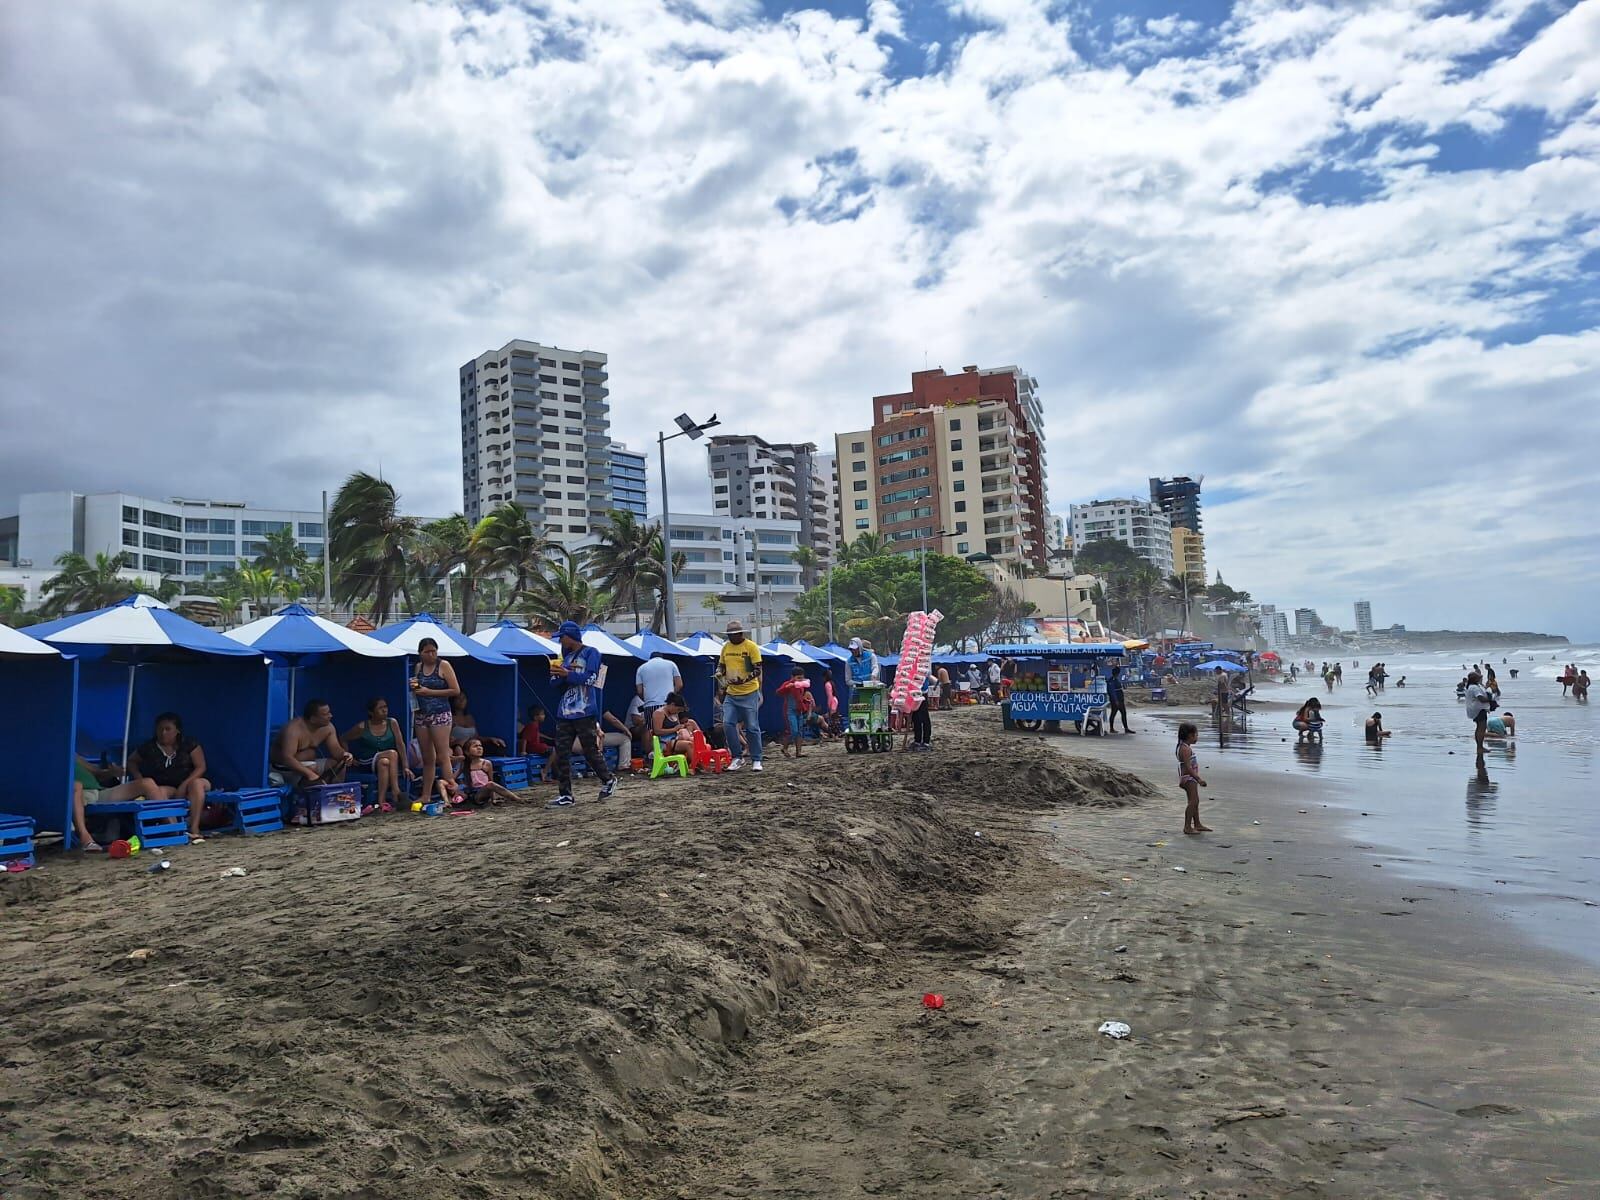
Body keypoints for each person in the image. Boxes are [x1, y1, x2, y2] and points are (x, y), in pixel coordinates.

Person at [549, 619, 617, 805]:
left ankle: (608, 779)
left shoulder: (590, 653)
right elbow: (555, 684)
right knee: (561, 752)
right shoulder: (566, 657)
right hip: (565, 711)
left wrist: (568, 675)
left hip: (584, 709)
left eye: (561, 637)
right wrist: (557, 675)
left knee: (590, 750)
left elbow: (591, 678)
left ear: (571, 636)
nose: (560, 641)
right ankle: (566, 794)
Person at [130, 712, 212, 842]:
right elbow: (132, 761)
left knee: (196, 784)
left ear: (177, 731)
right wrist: (138, 777)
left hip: (192, 781)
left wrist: (184, 785)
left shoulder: (189, 744)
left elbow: (201, 767)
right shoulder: (149, 747)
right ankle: (175, 828)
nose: (163, 733)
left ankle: (195, 828)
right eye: (160, 729)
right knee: (159, 791)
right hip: (168, 785)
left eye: (168, 729)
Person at [71, 755, 164, 851]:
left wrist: (111, 772)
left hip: (97, 793)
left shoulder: (73, 754)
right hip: (79, 794)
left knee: (147, 783)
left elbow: (97, 773)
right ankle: (85, 838)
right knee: (76, 785)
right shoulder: (55, 757)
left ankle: (172, 828)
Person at [410, 637, 460, 802]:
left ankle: (453, 791)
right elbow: (417, 691)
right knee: (427, 757)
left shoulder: (443, 665)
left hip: (440, 713)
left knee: (442, 754)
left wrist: (429, 691)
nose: (431, 654)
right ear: (420, 653)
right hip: (422, 714)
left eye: (433, 651)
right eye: (427, 652)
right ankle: (426, 794)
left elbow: (455, 690)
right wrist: (416, 689)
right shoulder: (418, 667)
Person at [343, 697, 412, 811]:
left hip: (385, 761)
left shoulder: (392, 723)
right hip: (366, 761)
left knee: (384, 763)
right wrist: (349, 755)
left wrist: (405, 766)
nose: (385, 710)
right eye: (380, 708)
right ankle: (395, 790)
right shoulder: (362, 726)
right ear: (371, 712)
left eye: (385, 707)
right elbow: (343, 738)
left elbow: (400, 744)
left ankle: (381, 802)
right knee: (392, 753)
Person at [716, 620, 764, 772]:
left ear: (740, 634)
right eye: (729, 635)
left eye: (733, 635)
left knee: (752, 726)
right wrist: (719, 673)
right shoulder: (726, 647)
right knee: (728, 724)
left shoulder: (750, 647)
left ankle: (756, 759)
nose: (731, 638)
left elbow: (757, 669)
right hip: (731, 693)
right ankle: (737, 757)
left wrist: (743, 679)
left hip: (749, 692)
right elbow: (721, 665)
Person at [276, 698, 353, 790]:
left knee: (340, 762)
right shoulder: (293, 730)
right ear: (313, 719)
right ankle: (306, 800)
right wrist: (310, 774)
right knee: (311, 768)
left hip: (312, 765)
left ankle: (335, 794)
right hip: (286, 768)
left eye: (329, 712)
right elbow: (287, 759)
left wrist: (344, 754)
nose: (330, 716)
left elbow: (335, 750)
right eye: (325, 714)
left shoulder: (328, 727)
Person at [456, 738, 522, 807]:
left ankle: (516, 799)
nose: (479, 748)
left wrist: (493, 799)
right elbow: (453, 777)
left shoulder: (487, 763)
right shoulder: (465, 764)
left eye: (480, 746)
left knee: (490, 784)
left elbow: (491, 781)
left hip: (485, 793)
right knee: (490, 784)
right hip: (473, 795)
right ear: (467, 752)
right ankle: (517, 799)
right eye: (475, 746)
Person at [449, 690, 507, 758]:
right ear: (453, 701)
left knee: (498, 746)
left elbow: (477, 737)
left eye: (464, 698)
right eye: (458, 698)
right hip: (459, 747)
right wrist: (459, 742)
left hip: (474, 745)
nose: (462, 701)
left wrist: (490, 739)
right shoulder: (450, 718)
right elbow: (447, 740)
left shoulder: (469, 718)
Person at [635, 651, 682, 733]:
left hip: (650, 705)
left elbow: (639, 691)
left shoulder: (641, 668)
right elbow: (679, 684)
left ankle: (649, 746)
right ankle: (672, 745)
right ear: (662, 657)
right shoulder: (671, 664)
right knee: (674, 729)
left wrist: (646, 700)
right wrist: (671, 697)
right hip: (668, 704)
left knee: (650, 731)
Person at [1176, 722, 1210, 834]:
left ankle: (1197, 824)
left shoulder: (1184, 746)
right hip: (1188, 778)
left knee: (1195, 801)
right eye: (1196, 735)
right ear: (1190, 736)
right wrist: (1198, 779)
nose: (1197, 737)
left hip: (1190, 778)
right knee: (1193, 801)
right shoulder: (1184, 749)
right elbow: (1188, 767)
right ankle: (1187, 826)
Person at [776, 666, 814, 758]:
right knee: (794, 731)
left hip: (799, 711)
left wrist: (805, 702)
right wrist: (786, 687)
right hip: (790, 711)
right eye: (798, 678)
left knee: (800, 731)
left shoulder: (801, 686)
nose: (800, 680)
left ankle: (798, 752)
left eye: (802, 677)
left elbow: (799, 697)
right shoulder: (788, 684)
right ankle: (785, 747)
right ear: (792, 677)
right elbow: (778, 692)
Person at [650, 691, 699, 758]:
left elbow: (678, 727)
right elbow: (657, 731)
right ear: (672, 704)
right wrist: (674, 729)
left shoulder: (674, 713)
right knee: (689, 745)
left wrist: (683, 727)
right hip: (664, 742)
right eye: (678, 709)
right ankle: (696, 765)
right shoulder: (659, 713)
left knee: (694, 741)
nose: (678, 712)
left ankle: (690, 764)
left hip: (675, 738)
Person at [1463, 670, 1494, 764]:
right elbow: (1480, 698)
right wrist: (1490, 700)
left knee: (1479, 728)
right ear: (1475, 679)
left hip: (1476, 710)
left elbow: (1482, 692)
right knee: (1481, 728)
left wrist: (1487, 687)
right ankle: (1480, 748)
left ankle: (1479, 747)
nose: (1481, 678)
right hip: (1479, 710)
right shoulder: (1474, 687)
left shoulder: (1474, 686)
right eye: (1479, 677)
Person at [1105, 664, 1132, 734]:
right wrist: (1116, 700)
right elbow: (1112, 692)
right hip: (1117, 700)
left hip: (1119, 699)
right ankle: (1123, 728)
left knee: (1117, 713)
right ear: (1117, 673)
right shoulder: (1112, 681)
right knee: (1120, 713)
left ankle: (1115, 728)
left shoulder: (1114, 679)